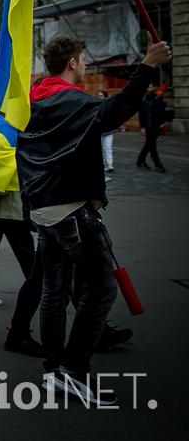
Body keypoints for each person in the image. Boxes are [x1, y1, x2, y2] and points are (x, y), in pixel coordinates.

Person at [18, 36, 170, 404]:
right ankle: (72, 370)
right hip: (71, 210)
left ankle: (55, 370)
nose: (86, 67)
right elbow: (116, 112)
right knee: (100, 287)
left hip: (44, 209)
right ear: (72, 63)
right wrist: (147, 63)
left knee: (55, 290)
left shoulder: (34, 99)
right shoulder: (69, 99)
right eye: (84, 60)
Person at [137, 83, 166, 172]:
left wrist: (162, 122)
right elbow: (141, 115)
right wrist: (142, 127)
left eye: (151, 86)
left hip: (156, 126)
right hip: (147, 127)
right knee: (152, 146)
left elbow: (161, 111)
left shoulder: (157, 98)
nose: (150, 88)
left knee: (148, 145)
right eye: (148, 86)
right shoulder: (143, 100)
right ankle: (158, 165)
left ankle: (140, 161)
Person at [96, 91, 116, 173]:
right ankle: (103, 165)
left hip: (108, 130)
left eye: (101, 95)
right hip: (99, 131)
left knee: (108, 147)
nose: (99, 97)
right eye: (98, 96)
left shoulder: (109, 105)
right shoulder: (96, 105)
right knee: (101, 149)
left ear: (105, 96)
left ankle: (110, 164)